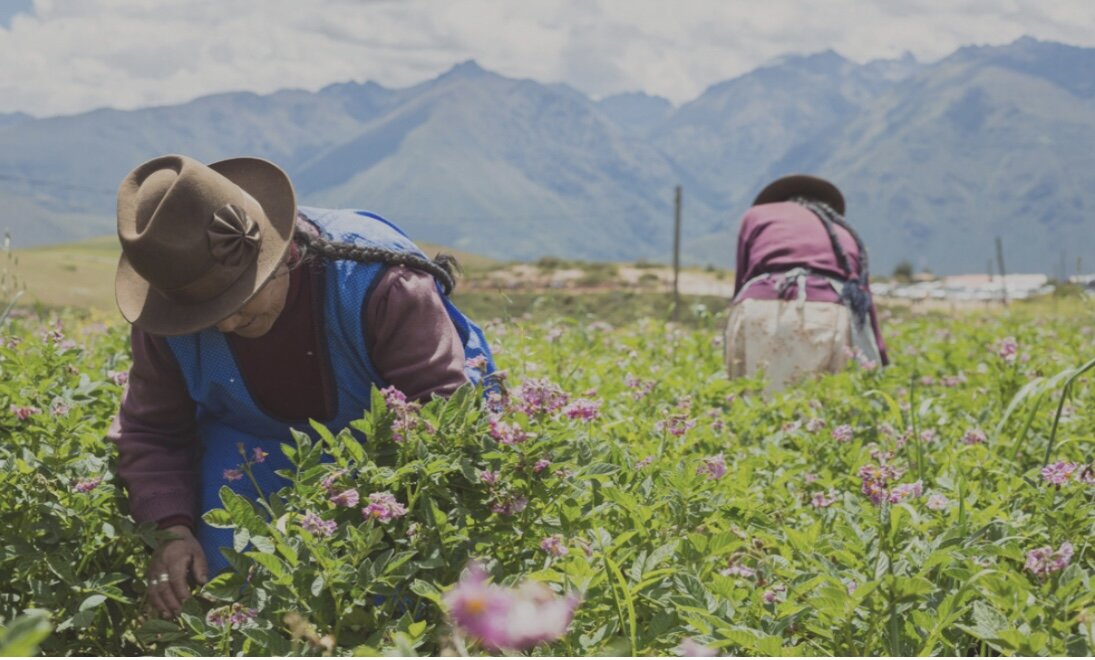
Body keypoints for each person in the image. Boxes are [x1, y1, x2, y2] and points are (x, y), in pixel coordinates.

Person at [107, 154, 495, 618]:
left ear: (281, 256)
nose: (228, 322)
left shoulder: (380, 284)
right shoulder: (169, 316)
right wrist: (170, 529)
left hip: (397, 445)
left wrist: (380, 502)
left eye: (239, 298)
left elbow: (441, 412)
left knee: (390, 590)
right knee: (220, 581)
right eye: (207, 313)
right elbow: (151, 430)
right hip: (253, 440)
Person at [725, 174, 888, 391]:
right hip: (828, 313)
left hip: (759, 308)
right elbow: (863, 302)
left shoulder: (757, 215)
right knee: (820, 406)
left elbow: (743, 282)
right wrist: (880, 356)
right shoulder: (843, 232)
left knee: (754, 398)